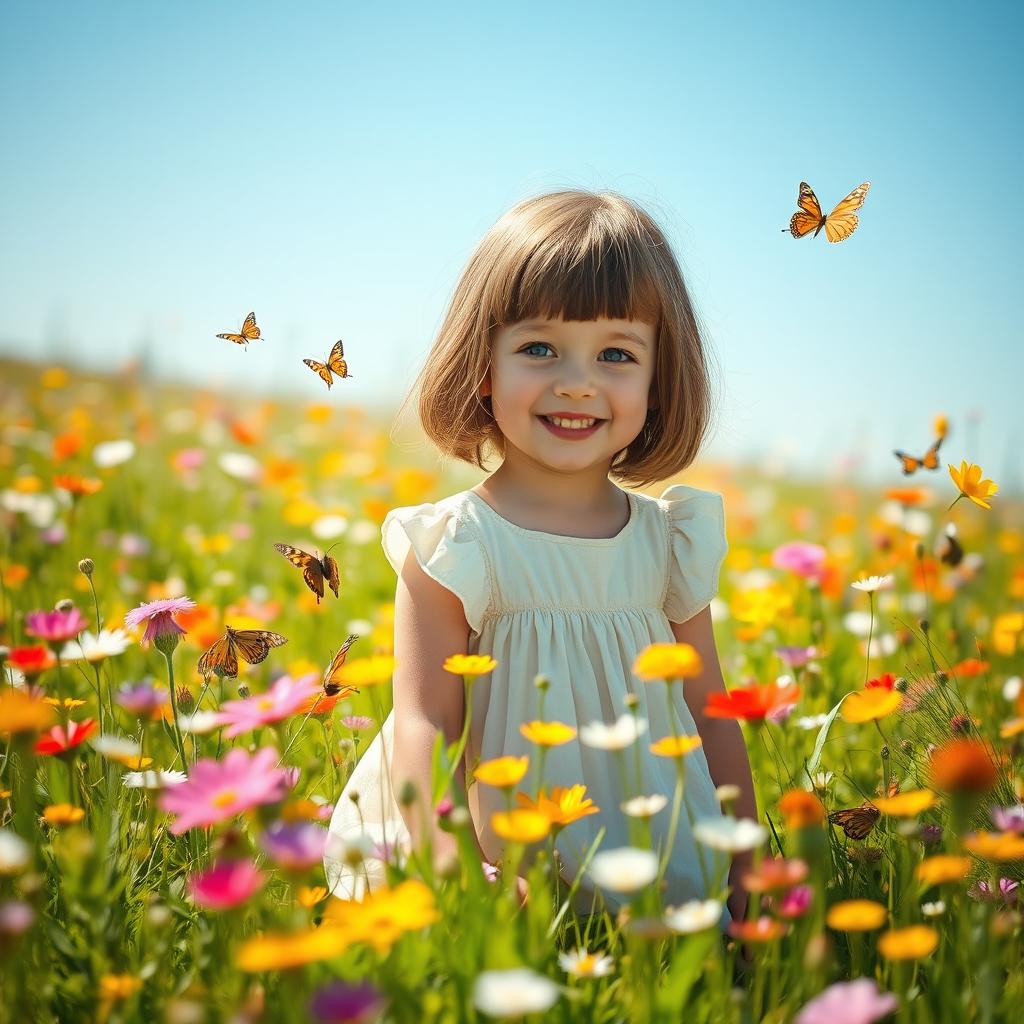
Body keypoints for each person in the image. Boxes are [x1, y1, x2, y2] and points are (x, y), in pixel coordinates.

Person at [323, 189, 756, 928]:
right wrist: (450, 861)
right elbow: (424, 719)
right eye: (538, 348)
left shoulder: (668, 545)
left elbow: (711, 716)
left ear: (660, 381)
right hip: (495, 869)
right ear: (481, 366)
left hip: (651, 864)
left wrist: (747, 878)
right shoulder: (456, 547)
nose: (576, 381)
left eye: (617, 354)